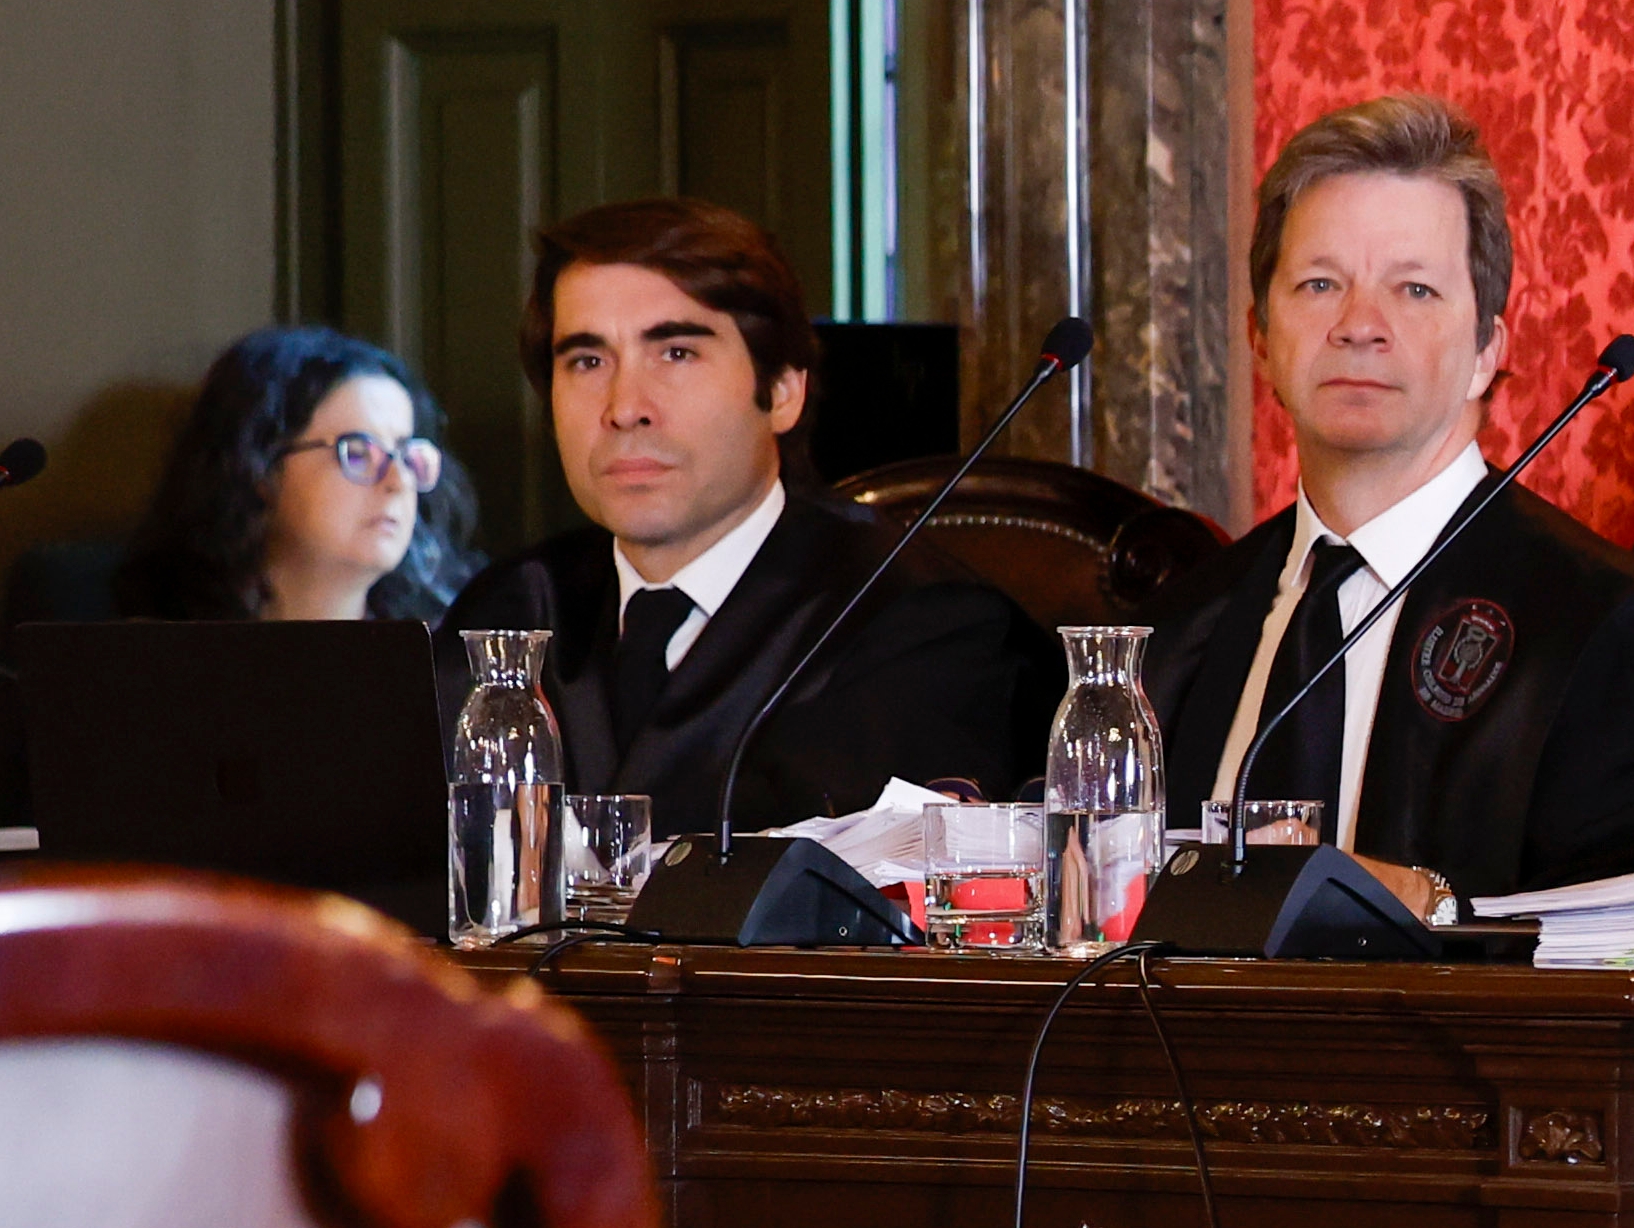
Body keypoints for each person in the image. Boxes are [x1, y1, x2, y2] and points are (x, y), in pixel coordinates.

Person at [1145, 94, 1634, 914]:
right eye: (1320, 283)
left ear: (1487, 353)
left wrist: (1435, 904)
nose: (1360, 326)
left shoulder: (1623, 642)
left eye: (1416, 292)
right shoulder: (1179, 634)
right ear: (1260, 337)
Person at [442, 199, 1054, 822]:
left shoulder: (919, 621)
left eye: (676, 353)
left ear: (783, 391)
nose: (625, 407)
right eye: (588, 361)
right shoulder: (510, 609)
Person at [108, 327, 479, 624]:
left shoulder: (451, 656)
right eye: (359, 453)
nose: (398, 482)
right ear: (259, 468)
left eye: (406, 454)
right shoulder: (154, 655)